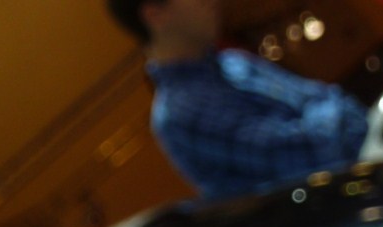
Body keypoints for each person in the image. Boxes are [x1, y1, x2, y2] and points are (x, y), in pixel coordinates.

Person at [108, 0, 369, 199]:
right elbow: (312, 154)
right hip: (334, 224)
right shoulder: (181, 112)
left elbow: (337, 99)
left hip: (360, 183)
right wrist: (333, 116)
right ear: (155, 15)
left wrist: (330, 117)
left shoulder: (233, 62)